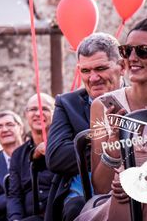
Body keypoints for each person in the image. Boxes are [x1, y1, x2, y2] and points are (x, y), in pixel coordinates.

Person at [76, 18, 147, 221]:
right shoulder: (103, 106)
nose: (132, 58)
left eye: (143, 51)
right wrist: (112, 149)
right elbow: (101, 186)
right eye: (126, 51)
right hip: (120, 202)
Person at [45, 33, 124, 221]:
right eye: (85, 71)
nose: (93, 78)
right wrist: (115, 147)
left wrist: (83, 145)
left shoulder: (140, 98)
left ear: (122, 66)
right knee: (77, 209)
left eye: (101, 68)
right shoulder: (67, 103)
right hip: (83, 195)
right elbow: (56, 157)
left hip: (137, 186)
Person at [8, 93, 55, 221]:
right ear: (25, 115)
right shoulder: (18, 155)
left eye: (44, 109)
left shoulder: (64, 146)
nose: (38, 114)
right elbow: (14, 195)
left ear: (55, 113)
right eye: (33, 109)